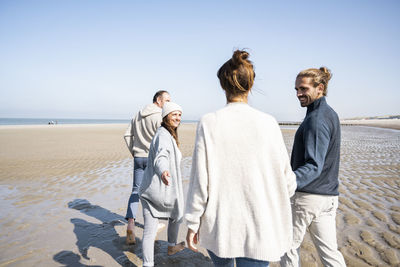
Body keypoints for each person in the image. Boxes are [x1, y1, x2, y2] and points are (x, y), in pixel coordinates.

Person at [185, 50, 297, 267]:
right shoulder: (269, 123)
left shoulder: (209, 122)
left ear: (223, 85)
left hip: (221, 226)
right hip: (260, 224)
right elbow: (287, 182)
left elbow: (200, 182)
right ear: (251, 84)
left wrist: (192, 222)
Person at [280, 67, 346, 267]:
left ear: (320, 88)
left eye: (303, 89)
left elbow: (313, 166)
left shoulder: (317, 119)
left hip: (308, 199)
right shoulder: (328, 114)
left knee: (288, 248)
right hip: (327, 198)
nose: (299, 94)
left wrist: (284, 183)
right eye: (296, 89)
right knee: (330, 254)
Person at [139, 102, 186, 267]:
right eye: (174, 114)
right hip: (152, 193)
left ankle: (171, 247)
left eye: (179, 115)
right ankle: (148, 264)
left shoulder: (168, 133)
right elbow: (161, 156)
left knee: (177, 214)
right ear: (166, 116)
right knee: (150, 232)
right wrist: (163, 171)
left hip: (162, 190)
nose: (178, 118)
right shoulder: (163, 136)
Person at [123, 90, 170, 245]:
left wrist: (134, 151)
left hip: (138, 157)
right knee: (154, 191)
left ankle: (130, 224)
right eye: (167, 100)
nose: (168, 104)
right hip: (152, 159)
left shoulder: (138, 114)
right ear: (158, 100)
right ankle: (153, 226)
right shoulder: (160, 117)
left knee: (136, 190)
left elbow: (127, 135)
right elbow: (163, 141)